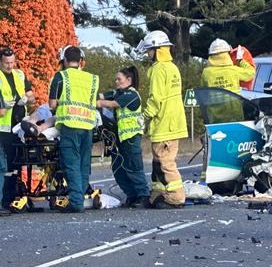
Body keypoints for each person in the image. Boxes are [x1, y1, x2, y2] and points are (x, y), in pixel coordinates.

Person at [136, 30, 188, 209]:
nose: (148, 54)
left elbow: (156, 99)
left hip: (165, 124)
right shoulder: (172, 68)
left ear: (157, 49)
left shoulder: (158, 70)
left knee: (165, 162)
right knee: (158, 162)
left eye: (150, 50)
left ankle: (176, 197)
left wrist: (143, 117)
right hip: (174, 122)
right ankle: (157, 194)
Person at [49, 46, 99, 213]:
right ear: (80, 61)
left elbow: (52, 104)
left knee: (71, 164)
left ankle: (76, 202)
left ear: (64, 60)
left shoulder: (60, 77)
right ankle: (81, 197)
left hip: (70, 126)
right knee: (84, 164)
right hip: (88, 127)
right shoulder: (92, 78)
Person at [96, 66, 149, 208]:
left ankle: (143, 196)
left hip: (131, 137)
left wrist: (99, 103)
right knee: (118, 167)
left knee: (133, 167)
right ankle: (132, 195)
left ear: (129, 80)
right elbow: (104, 95)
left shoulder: (132, 95)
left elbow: (114, 103)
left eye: (119, 79)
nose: (116, 81)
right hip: (120, 137)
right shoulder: (119, 92)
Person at [0, 47, 34, 215]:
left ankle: (12, 197)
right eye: (6, 63)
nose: (9, 66)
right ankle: (4, 200)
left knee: (16, 165)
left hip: (19, 127)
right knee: (4, 166)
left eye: (12, 62)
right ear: (1, 62)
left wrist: (26, 99)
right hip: (3, 128)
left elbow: (31, 94)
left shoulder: (20, 74)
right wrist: (4, 106)